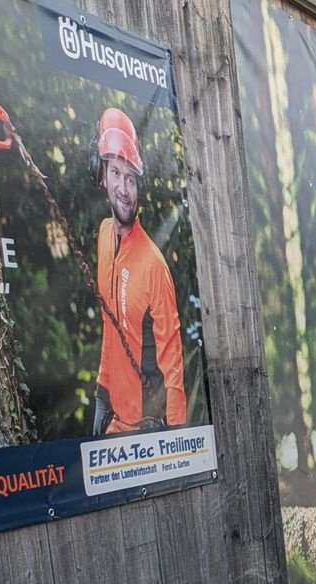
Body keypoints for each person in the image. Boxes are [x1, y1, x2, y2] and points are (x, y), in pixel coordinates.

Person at [91, 107, 186, 435]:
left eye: (130, 178)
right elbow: (109, 325)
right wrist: (102, 394)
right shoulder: (104, 236)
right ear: (102, 175)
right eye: (116, 173)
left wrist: (177, 436)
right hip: (112, 420)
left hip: (146, 429)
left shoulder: (154, 266)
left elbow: (173, 366)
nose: (123, 188)